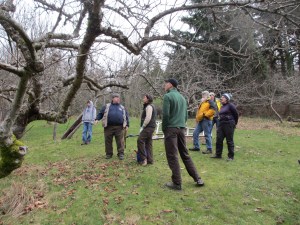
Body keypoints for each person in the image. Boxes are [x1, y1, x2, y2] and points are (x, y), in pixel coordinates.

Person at [162, 78, 204, 190]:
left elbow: (165, 115)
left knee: (172, 156)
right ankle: (197, 178)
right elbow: (185, 116)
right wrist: (182, 125)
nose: (164, 85)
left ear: (170, 85)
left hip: (171, 129)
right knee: (185, 154)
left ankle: (177, 183)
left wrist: (164, 128)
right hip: (181, 129)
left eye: (165, 83)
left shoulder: (167, 96)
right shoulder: (182, 98)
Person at [95, 93, 129, 160]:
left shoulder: (122, 107)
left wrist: (127, 125)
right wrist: (97, 119)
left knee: (120, 141)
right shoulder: (107, 106)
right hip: (108, 127)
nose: (118, 99)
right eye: (116, 97)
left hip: (119, 127)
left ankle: (121, 154)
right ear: (113, 98)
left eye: (118, 97)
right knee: (108, 141)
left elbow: (126, 116)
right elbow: (101, 113)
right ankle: (109, 154)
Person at [211, 93, 239, 161]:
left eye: (223, 97)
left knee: (229, 140)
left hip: (229, 124)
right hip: (221, 124)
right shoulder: (222, 106)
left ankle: (231, 157)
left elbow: (236, 114)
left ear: (227, 99)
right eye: (221, 97)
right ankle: (218, 154)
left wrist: (234, 123)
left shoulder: (231, 105)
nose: (221, 98)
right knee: (219, 139)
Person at [137, 94, 157, 166]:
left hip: (148, 127)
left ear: (148, 99)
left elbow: (148, 118)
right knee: (148, 143)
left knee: (140, 140)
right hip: (151, 127)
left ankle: (143, 159)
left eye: (144, 98)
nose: (143, 99)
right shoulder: (151, 106)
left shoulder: (149, 107)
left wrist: (143, 126)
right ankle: (150, 160)